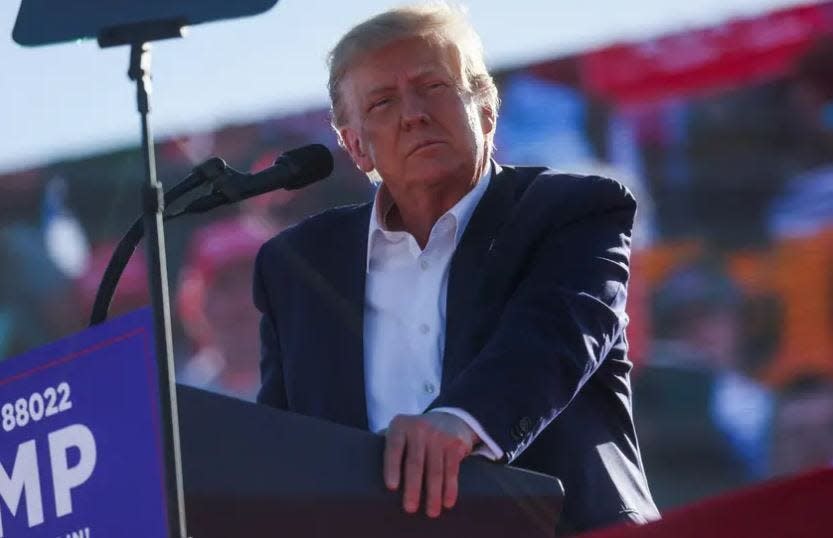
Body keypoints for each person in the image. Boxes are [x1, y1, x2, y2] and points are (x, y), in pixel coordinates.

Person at [254, 4, 658, 533]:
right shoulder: (296, 267)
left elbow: (555, 335)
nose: (413, 113)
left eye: (432, 86)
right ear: (355, 147)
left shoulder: (573, 210)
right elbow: (280, 447)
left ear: (486, 106)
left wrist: (461, 422)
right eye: (382, 102)